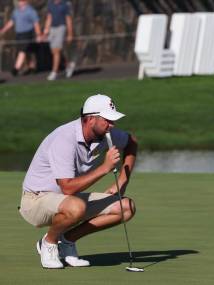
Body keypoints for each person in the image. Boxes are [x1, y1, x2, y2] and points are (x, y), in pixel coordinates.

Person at [19, 94, 138, 269]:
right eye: (107, 120)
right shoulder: (65, 138)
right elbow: (67, 187)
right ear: (90, 119)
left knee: (126, 208)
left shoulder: (106, 133)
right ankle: (49, 243)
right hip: (36, 200)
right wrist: (105, 168)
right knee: (76, 207)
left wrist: (122, 180)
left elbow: (131, 142)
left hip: (66, 200)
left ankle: (67, 240)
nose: (112, 125)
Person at [0, 0, 42, 76]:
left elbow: (36, 23)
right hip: (19, 34)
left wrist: (39, 35)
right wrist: (3, 30)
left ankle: (16, 68)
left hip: (27, 34)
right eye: (19, 1)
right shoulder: (16, 11)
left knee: (22, 51)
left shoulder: (31, 11)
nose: (20, 2)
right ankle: (32, 67)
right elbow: (12, 22)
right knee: (28, 51)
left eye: (22, 1)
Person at [43, 0, 75, 81]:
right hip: (52, 29)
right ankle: (69, 66)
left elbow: (68, 19)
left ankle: (54, 72)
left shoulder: (65, 4)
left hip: (61, 27)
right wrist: (46, 29)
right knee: (54, 51)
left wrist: (70, 33)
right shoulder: (50, 3)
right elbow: (49, 17)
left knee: (56, 50)